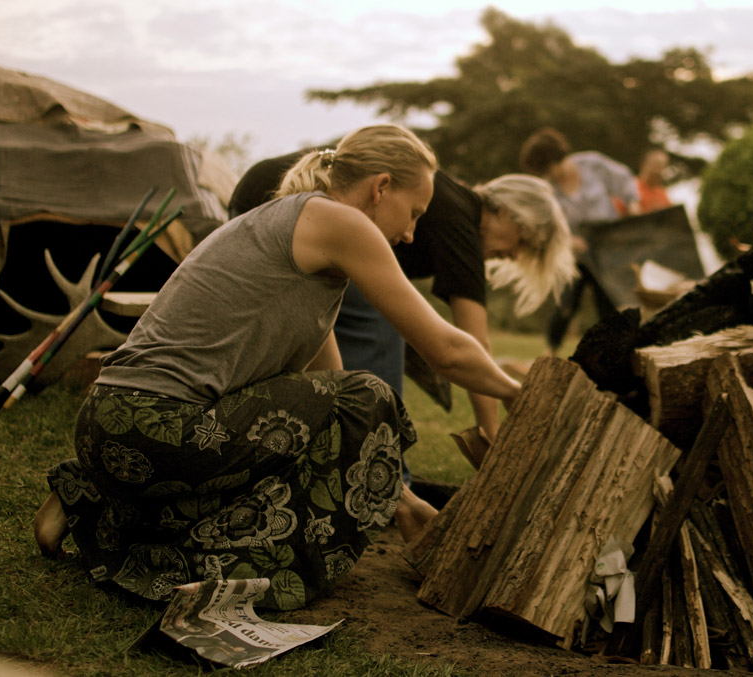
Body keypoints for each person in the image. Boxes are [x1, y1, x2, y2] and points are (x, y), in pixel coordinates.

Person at [33, 124, 525, 612]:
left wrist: (401, 501)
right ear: (381, 187)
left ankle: (92, 499)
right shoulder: (341, 224)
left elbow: (335, 406)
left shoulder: (298, 231)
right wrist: (516, 393)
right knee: (372, 396)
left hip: (109, 424)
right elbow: (445, 350)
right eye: (414, 212)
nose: (412, 233)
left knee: (349, 402)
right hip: (155, 428)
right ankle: (211, 562)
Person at [229, 153, 574, 461]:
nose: (514, 255)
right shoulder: (461, 220)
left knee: (323, 341)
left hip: (256, 200)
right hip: (278, 200)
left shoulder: (451, 202)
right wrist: (492, 436)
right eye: (523, 241)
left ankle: (334, 455)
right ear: (507, 213)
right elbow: (472, 342)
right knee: (381, 328)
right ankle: (383, 475)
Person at [519, 126, 640, 355]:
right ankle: (550, 352)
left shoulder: (593, 164)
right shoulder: (548, 189)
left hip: (606, 246)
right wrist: (569, 241)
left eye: (548, 168)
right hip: (575, 253)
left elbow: (625, 181)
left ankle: (612, 355)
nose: (548, 174)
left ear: (556, 159)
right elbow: (549, 226)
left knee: (607, 302)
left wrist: (633, 207)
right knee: (564, 303)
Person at [636, 148, 672, 213]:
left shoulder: (661, 192)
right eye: (656, 165)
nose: (659, 171)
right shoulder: (631, 187)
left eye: (663, 166)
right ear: (644, 164)